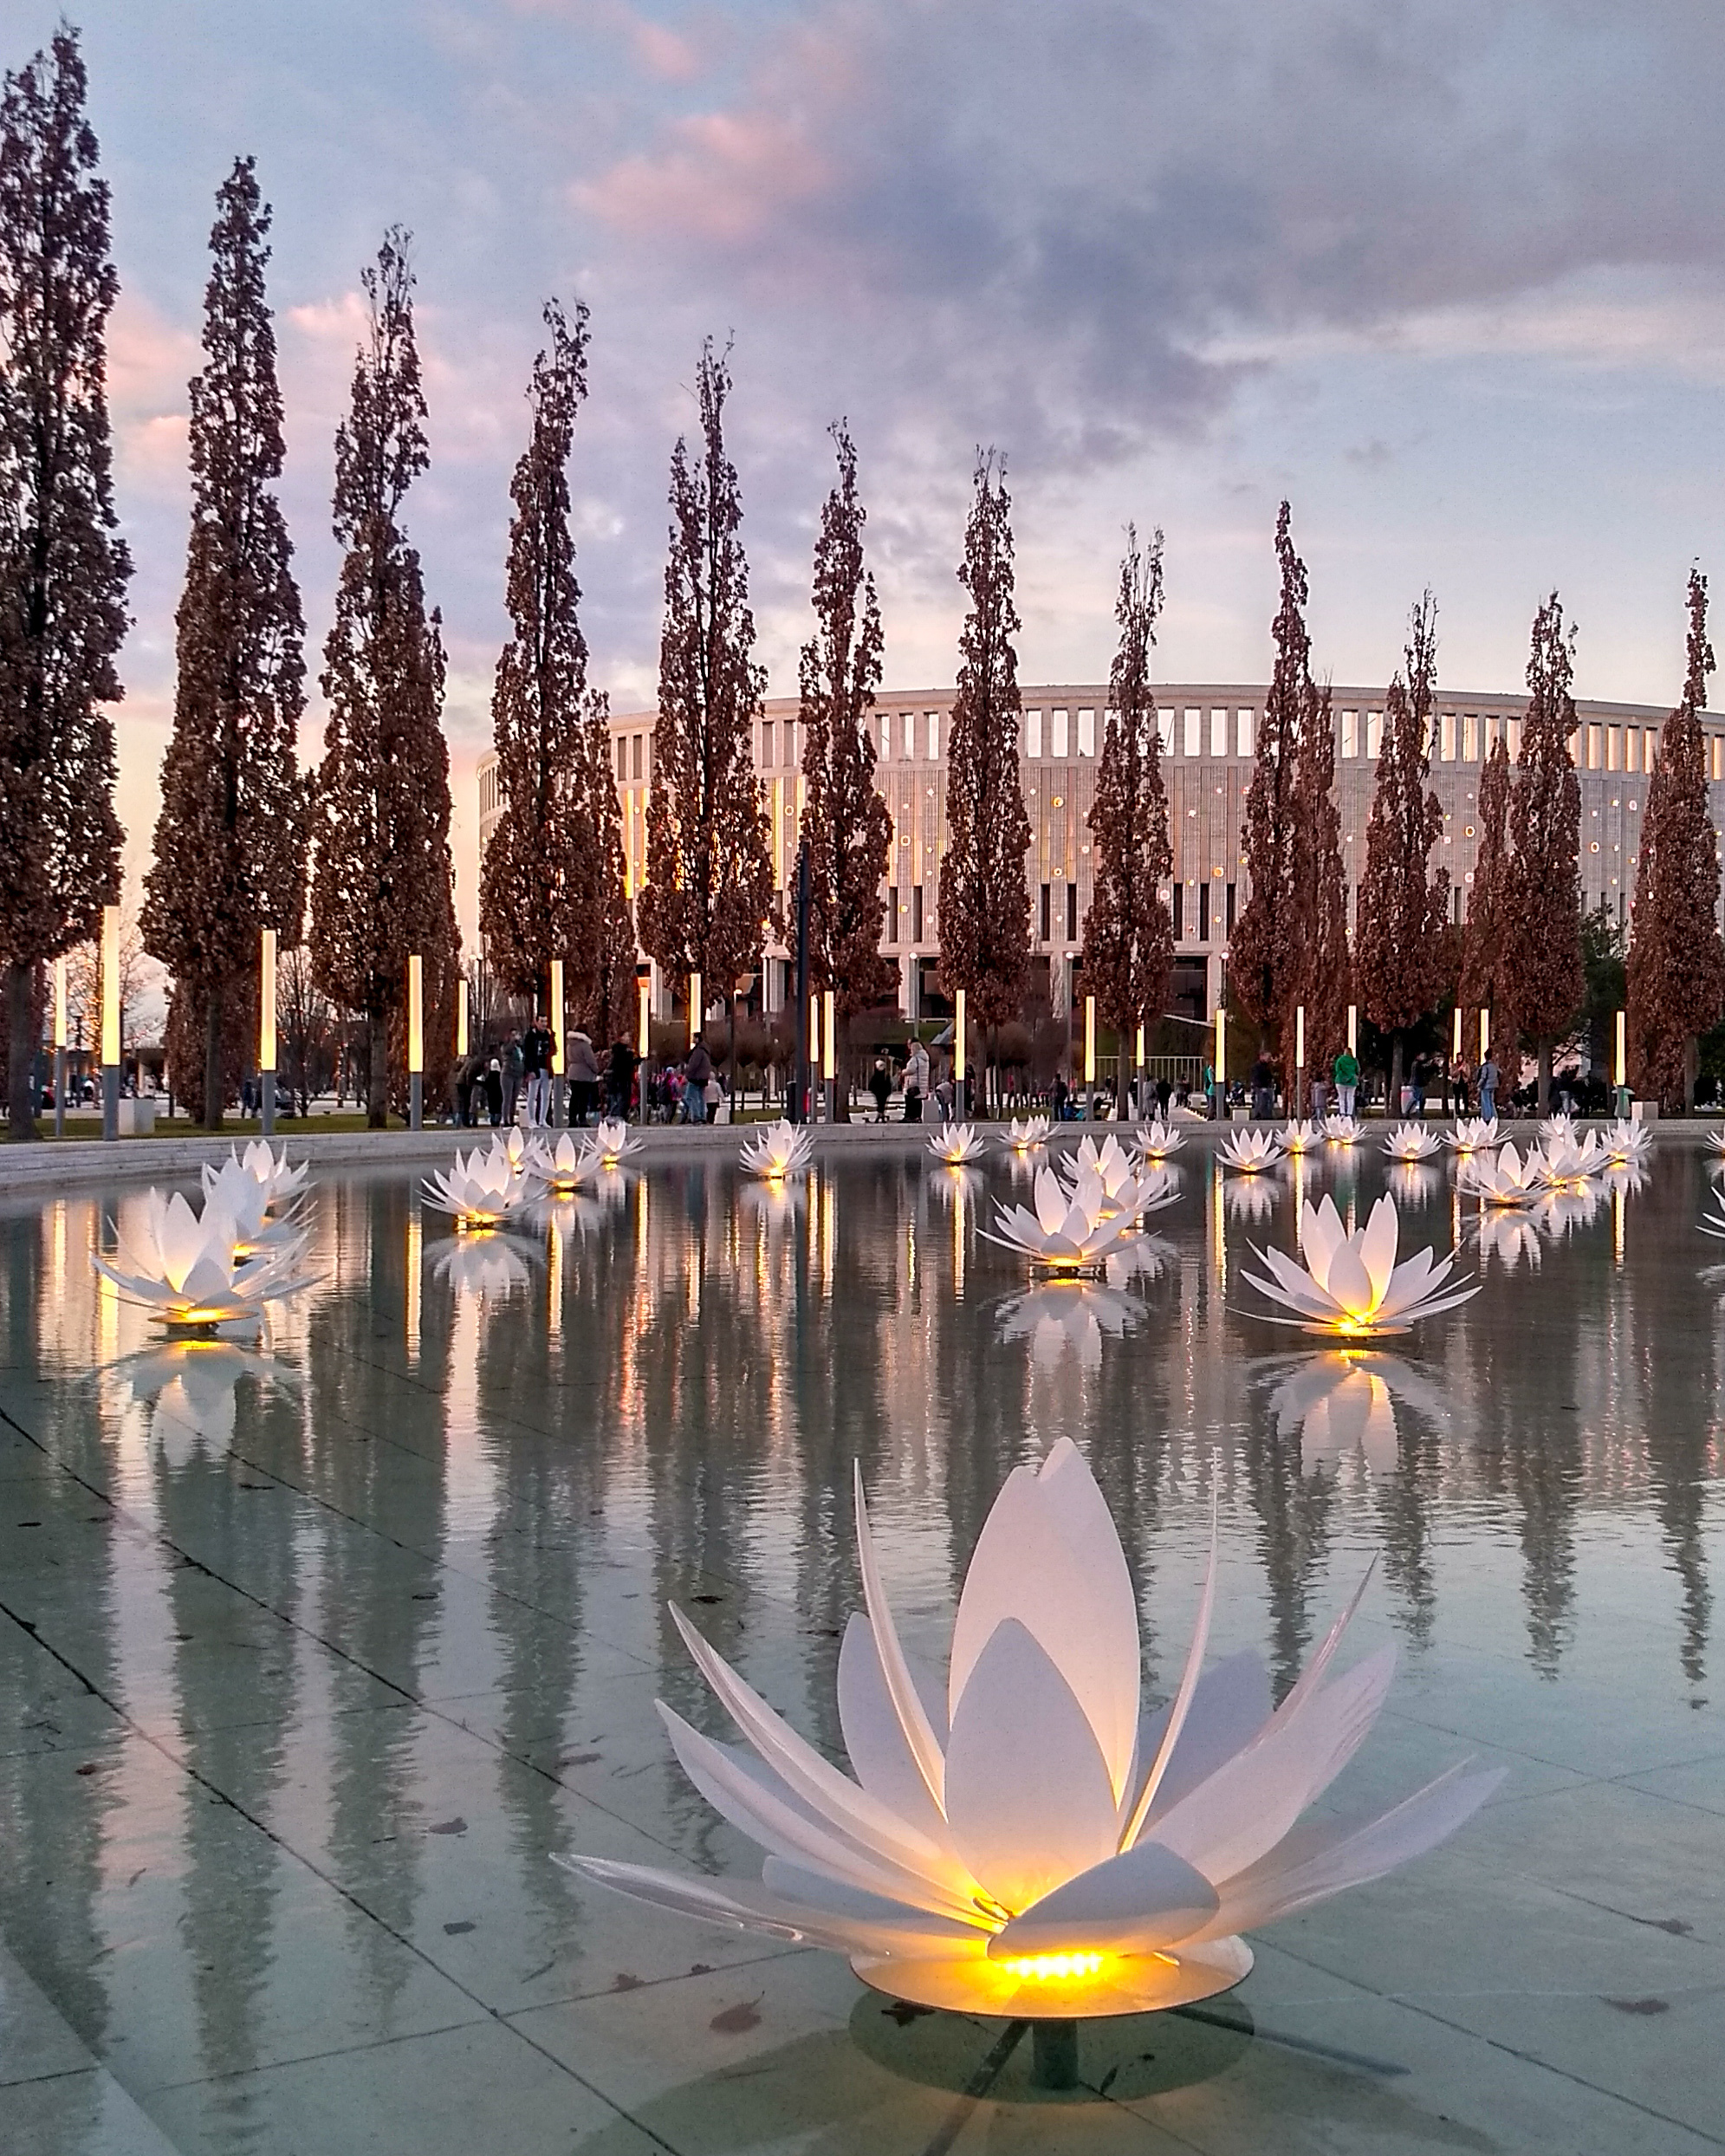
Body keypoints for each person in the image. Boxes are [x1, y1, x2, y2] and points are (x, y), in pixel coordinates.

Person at [522, 1013, 554, 1127]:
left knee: (546, 1096)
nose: (544, 1024)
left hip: (547, 1068)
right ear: (536, 1022)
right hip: (536, 1069)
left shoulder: (549, 1035)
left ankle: (542, 1120)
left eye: (546, 1021)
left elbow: (554, 1050)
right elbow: (527, 1054)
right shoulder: (531, 1036)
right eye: (542, 1021)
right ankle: (532, 1120)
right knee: (533, 1095)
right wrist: (530, 1070)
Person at [567, 1028, 600, 1125]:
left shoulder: (570, 1044)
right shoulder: (584, 1045)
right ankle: (582, 1119)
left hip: (572, 1072)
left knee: (574, 1097)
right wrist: (596, 1069)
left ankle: (572, 1119)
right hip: (584, 1074)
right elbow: (590, 1060)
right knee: (583, 1098)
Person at [607, 1038, 638, 1121]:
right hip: (624, 1080)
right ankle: (621, 1117)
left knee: (615, 1100)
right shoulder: (626, 1056)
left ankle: (613, 1115)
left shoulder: (614, 1057)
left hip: (614, 1081)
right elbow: (630, 1066)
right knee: (623, 1099)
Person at [684, 1034, 712, 1122]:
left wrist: (687, 1073)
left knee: (690, 1096)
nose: (692, 1039)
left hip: (696, 1078)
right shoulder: (705, 1050)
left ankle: (696, 1116)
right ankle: (702, 1116)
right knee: (700, 1097)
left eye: (694, 1037)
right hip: (703, 1078)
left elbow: (693, 1065)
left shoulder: (698, 1051)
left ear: (697, 1039)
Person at [502, 1031, 523, 1126]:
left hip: (518, 1074)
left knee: (514, 1099)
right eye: (513, 1035)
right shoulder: (506, 1046)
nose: (516, 1037)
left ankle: (511, 1119)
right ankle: (505, 1120)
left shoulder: (519, 1048)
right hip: (508, 1073)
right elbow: (506, 1051)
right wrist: (512, 1042)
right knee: (507, 1097)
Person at [1333, 1044, 1359, 1120]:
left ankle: (1343, 1113)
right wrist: (1351, 1076)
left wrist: (1343, 1077)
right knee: (1350, 1098)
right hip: (1352, 1082)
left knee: (1342, 1098)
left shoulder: (1340, 1060)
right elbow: (1357, 1071)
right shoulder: (1354, 1061)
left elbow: (1337, 1070)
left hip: (1340, 1081)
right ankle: (1349, 1114)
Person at [1249, 1055, 1274, 1120]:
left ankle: (1266, 1115)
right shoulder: (1258, 1067)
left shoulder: (1266, 1066)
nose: (1269, 1058)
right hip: (1261, 1087)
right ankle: (1260, 1115)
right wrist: (1261, 1086)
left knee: (1266, 1102)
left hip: (1265, 1086)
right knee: (1261, 1102)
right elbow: (1257, 1077)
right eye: (1267, 1057)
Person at [869, 1056, 892, 1121]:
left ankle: (880, 1114)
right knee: (881, 1103)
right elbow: (872, 1084)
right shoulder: (878, 1075)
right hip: (878, 1091)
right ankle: (881, 1114)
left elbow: (888, 1083)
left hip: (884, 1091)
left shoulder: (885, 1075)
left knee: (882, 1103)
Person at [1479, 1051, 1500, 1123]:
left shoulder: (1485, 1066)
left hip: (1486, 1086)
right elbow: (1500, 1072)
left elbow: (1483, 1077)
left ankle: (1487, 1117)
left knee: (1486, 1102)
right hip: (1493, 1085)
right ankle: (1494, 1116)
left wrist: (1478, 1084)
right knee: (1491, 1101)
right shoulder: (1494, 1066)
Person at [484, 1056, 504, 1126]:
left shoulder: (489, 1075)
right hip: (499, 1094)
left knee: (492, 1108)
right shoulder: (500, 1075)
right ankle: (497, 1120)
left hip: (491, 1094)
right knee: (498, 1108)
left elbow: (486, 1084)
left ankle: (492, 1120)